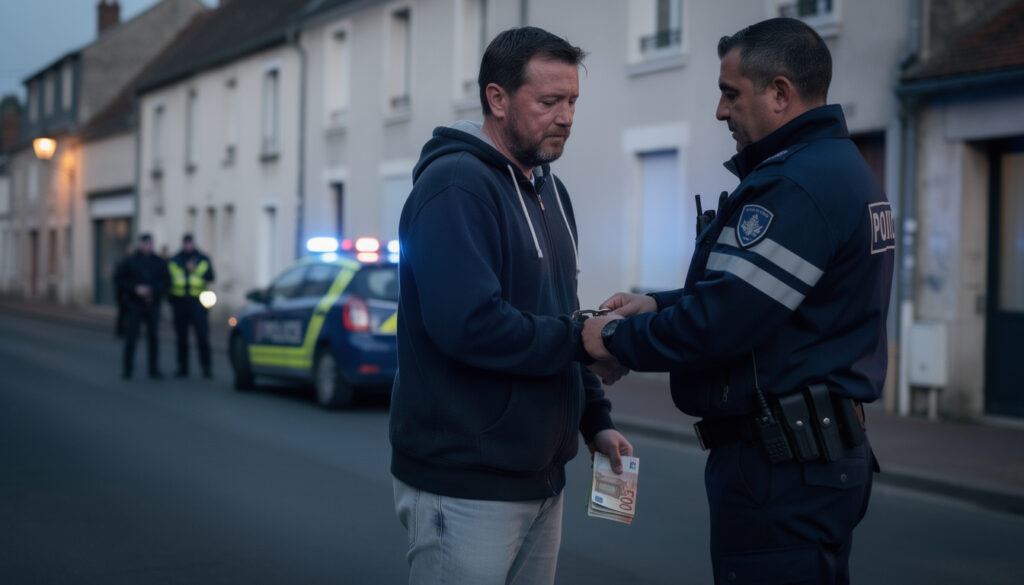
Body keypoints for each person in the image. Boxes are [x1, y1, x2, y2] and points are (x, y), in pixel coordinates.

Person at [582, 18, 895, 584]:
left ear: (780, 93)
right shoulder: (840, 171)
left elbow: (720, 322)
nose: (721, 112)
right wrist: (654, 306)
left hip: (782, 470)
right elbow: (757, 295)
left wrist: (608, 337)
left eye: (731, 94)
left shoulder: (798, 186)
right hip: (806, 461)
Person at [389, 26, 632, 585]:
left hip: (541, 474)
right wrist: (583, 339)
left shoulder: (550, 188)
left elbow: (561, 312)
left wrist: (595, 419)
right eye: (550, 102)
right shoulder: (455, 186)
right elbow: (469, 325)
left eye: (572, 101)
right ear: (497, 99)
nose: (567, 116)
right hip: (465, 480)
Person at [115, 233, 170, 380]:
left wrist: (153, 291)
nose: (147, 246)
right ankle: (127, 369)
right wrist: (135, 289)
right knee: (131, 337)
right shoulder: (130, 261)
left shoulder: (158, 262)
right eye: (145, 243)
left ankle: (153, 369)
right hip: (135, 304)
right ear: (141, 244)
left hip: (152, 304)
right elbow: (120, 280)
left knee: (153, 338)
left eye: (149, 243)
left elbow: (165, 282)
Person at [167, 234, 215, 378]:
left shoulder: (202, 258)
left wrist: (194, 269)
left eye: (190, 243)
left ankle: (206, 367)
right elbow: (168, 279)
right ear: (183, 244)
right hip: (180, 303)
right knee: (181, 337)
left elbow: (211, 276)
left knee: (202, 335)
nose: (188, 246)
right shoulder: (175, 260)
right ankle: (182, 367)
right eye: (186, 243)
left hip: (198, 303)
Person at [112, 242, 134, 338]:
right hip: (123, 293)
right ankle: (121, 331)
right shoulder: (123, 263)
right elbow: (117, 279)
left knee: (127, 313)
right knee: (123, 313)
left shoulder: (132, 262)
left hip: (127, 292)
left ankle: (125, 330)